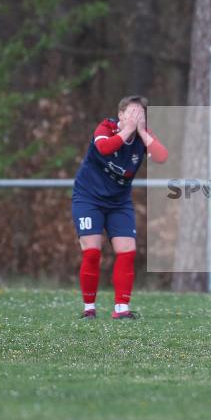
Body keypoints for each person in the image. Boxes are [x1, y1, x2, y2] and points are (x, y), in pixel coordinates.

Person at [71, 96, 168, 319]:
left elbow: (162, 157)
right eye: (132, 114)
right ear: (121, 115)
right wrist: (127, 131)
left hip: (119, 202)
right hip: (89, 198)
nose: (136, 118)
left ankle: (121, 309)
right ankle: (89, 308)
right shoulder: (106, 127)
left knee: (127, 251)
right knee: (93, 251)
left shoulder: (143, 136)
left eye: (141, 114)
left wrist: (142, 133)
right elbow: (104, 148)